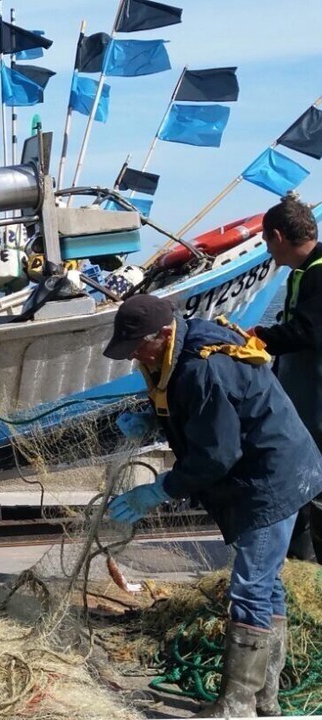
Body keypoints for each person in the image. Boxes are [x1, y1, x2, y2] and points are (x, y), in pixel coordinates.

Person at [104, 293, 322, 717]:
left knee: (250, 588)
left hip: (271, 477)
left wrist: (159, 491)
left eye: (137, 347)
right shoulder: (183, 346)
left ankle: (237, 704)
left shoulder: (203, 367)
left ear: (162, 333)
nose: (133, 357)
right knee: (266, 584)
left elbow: (217, 454)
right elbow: (197, 410)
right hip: (269, 468)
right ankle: (264, 699)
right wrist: (152, 419)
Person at [251, 193, 322, 563]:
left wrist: (258, 337)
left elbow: (309, 331)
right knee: (305, 481)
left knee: (313, 482)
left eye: (266, 241)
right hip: (305, 400)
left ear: (277, 236)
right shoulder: (304, 273)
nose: (268, 251)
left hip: (317, 403)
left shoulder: (319, 273)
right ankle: (299, 560)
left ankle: (308, 565)